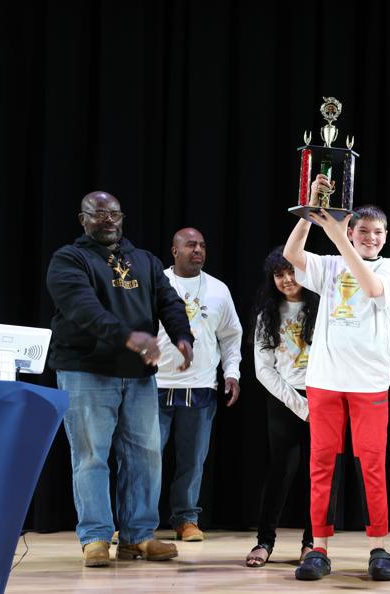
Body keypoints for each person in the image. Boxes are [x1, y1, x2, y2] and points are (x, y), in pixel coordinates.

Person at [47, 191, 193, 567]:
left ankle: (138, 536)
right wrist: (128, 336)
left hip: (137, 375)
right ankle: (95, 537)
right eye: (98, 214)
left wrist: (182, 335)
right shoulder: (69, 258)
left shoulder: (144, 260)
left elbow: (170, 302)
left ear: (122, 218)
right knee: (91, 456)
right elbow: (82, 307)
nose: (107, 219)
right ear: (83, 219)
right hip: (86, 370)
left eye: (113, 214)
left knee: (146, 457)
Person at [283, 174, 390, 581]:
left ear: (385, 237)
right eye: (363, 231)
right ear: (351, 231)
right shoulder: (330, 263)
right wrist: (311, 212)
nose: (370, 238)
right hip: (325, 380)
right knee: (321, 464)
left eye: (377, 232)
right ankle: (319, 548)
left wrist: (337, 236)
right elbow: (292, 253)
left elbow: (371, 289)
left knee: (372, 465)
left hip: (369, 383)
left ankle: (378, 548)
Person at [153, 228, 242, 542]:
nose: (198, 250)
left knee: (193, 459)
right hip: (155, 384)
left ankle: (185, 518)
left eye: (202, 245)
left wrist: (232, 373)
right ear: (174, 250)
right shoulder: (156, 282)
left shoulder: (218, 289)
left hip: (202, 385)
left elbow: (231, 336)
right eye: (190, 245)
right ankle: (137, 521)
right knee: (145, 458)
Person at [244, 246, 319, 567]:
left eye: (292, 272)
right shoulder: (266, 316)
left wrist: (316, 403)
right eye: (279, 274)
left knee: (320, 475)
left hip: (324, 397)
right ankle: (265, 540)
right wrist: (300, 405)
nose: (287, 279)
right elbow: (264, 370)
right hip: (284, 399)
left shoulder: (325, 308)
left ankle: (313, 543)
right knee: (281, 471)